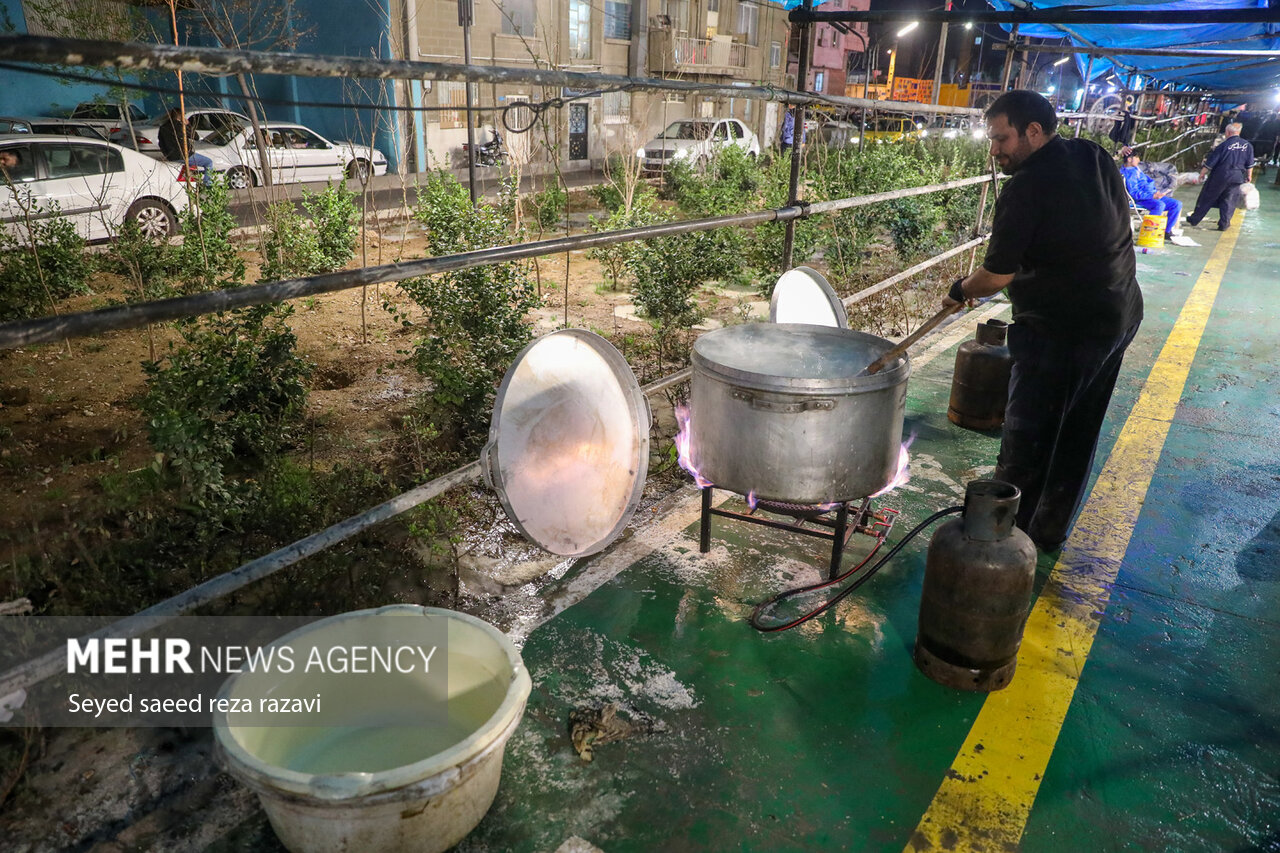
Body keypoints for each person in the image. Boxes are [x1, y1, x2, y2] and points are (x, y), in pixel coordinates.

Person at [942, 90, 1143, 552]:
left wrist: (961, 290)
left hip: (1062, 331)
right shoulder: (1091, 153)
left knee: (1027, 438)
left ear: (1034, 131)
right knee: (1077, 429)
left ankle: (1000, 539)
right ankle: (1048, 530)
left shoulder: (1026, 188)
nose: (995, 150)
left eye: (1002, 138)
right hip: (1118, 314)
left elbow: (995, 276)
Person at [1186, 122, 1254, 231]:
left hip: (1221, 175)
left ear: (1227, 132)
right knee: (1229, 200)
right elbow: (1250, 164)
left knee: (1207, 197)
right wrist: (1249, 176)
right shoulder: (1248, 145)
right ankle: (1224, 224)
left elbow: (1211, 162)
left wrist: (1202, 173)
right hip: (1237, 177)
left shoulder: (1223, 145)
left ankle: (1195, 219)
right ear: (1239, 132)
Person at [1120, 151, 1182, 241]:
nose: (1139, 160)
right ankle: (1149, 232)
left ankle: (1166, 231)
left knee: (1177, 204)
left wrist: (1156, 192)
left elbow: (1148, 181)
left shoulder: (1136, 169)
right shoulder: (1127, 174)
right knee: (1159, 205)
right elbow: (1135, 193)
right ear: (1129, 159)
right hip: (1142, 198)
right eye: (1136, 158)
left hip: (1152, 193)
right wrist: (1152, 195)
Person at [157, 107, 214, 186]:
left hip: (172, 156)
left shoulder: (163, 127)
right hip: (185, 155)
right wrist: (188, 125)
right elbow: (196, 137)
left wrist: (167, 155)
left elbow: (161, 144)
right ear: (180, 116)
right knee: (208, 162)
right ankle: (208, 184)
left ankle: (190, 184)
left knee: (189, 169)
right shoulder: (181, 126)